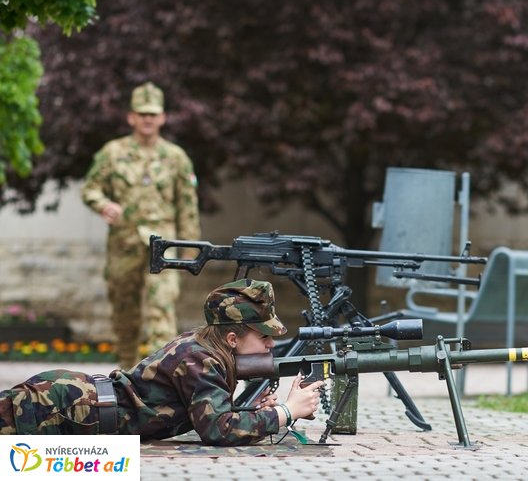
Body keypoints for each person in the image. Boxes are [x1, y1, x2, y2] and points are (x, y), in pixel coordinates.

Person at [0, 279, 324, 445]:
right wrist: (287, 412)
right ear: (232, 339)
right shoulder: (199, 359)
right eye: (263, 336)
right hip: (62, 407)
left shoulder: (203, 348)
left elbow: (208, 415)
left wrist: (254, 413)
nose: (271, 344)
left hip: (78, 404)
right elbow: (217, 431)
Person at [81, 81, 201, 369]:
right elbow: (90, 189)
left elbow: (187, 206)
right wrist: (103, 204)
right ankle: (126, 370)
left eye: (153, 114)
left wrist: (189, 247)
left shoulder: (176, 157)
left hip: (164, 244)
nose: (147, 119)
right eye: (141, 113)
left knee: (162, 308)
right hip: (124, 244)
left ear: (162, 118)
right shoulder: (112, 152)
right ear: (131, 117)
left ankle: (163, 375)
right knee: (125, 311)